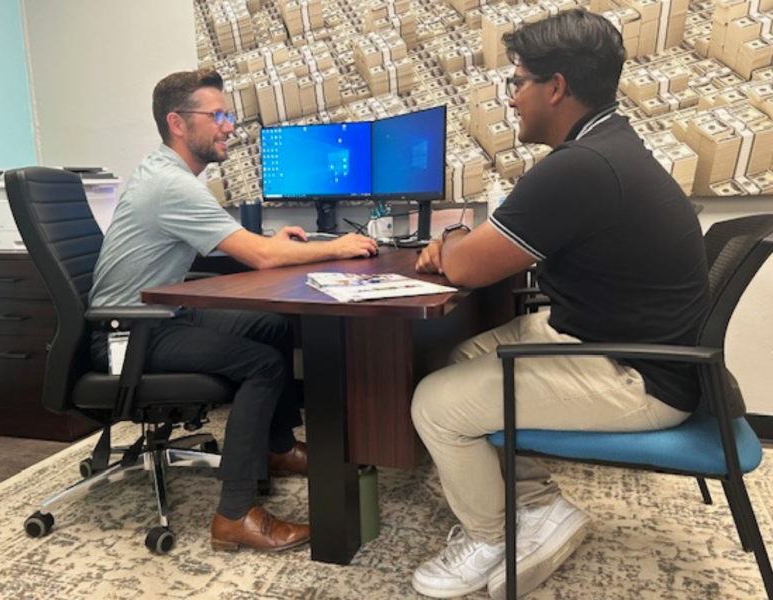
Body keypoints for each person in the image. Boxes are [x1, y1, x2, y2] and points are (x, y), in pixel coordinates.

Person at [410, 10, 710, 599]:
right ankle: (538, 506)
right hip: (621, 343)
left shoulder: (581, 168)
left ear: (556, 87)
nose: (512, 98)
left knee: (435, 405)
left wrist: (450, 238)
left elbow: (466, 266)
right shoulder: (608, 147)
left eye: (517, 81)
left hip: (637, 375)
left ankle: (492, 539)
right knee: (458, 357)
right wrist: (462, 243)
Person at [89, 68, 378, 553]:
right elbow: (260, 258)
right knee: (261, 365)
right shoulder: (171, 184)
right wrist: (340, 246)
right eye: (218, 116)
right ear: (178, 123)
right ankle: (234, 515)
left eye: (229, 116)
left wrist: (276, 243)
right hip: (125, 337)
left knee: (271, 325)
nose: (229, 127)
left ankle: (277, 449)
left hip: (154, 316)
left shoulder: (166, 174)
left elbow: (249, 246)